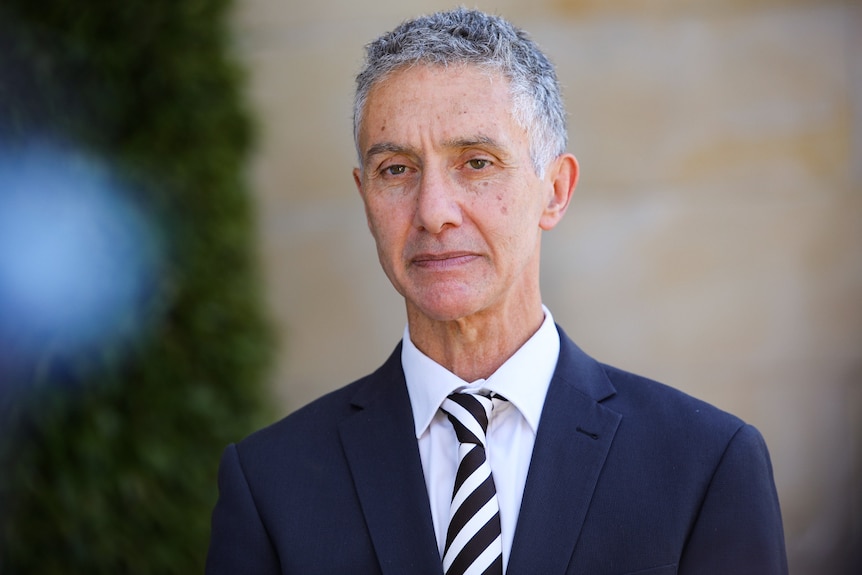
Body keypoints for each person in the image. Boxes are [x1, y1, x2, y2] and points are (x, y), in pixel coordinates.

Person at [206, 8, 788, 574]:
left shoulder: (705, 462)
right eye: (397, 170)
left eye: (476, 163)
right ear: (365, 198)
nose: (434, 212)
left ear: (555, 190)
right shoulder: (269, 482)